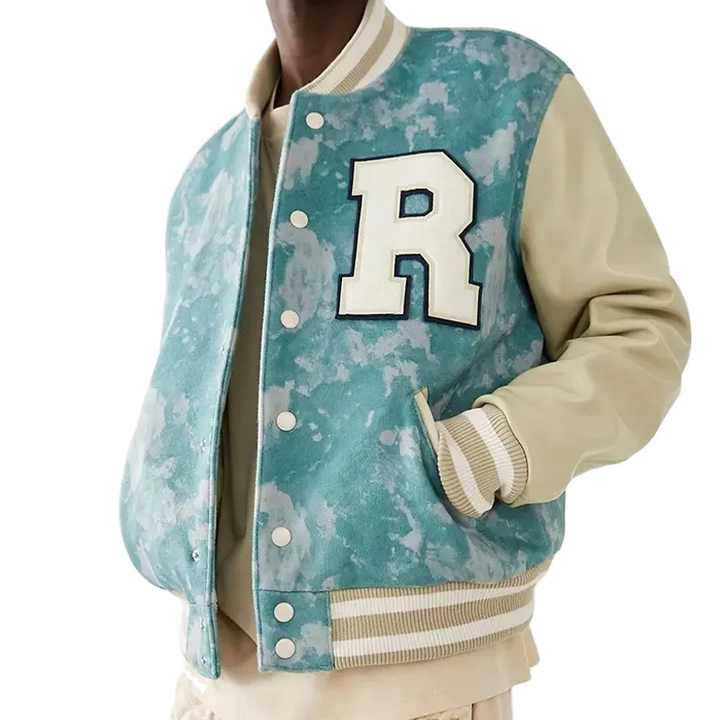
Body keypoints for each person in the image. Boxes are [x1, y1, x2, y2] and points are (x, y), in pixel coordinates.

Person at [120, 1, 691, 718]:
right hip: (208, 687)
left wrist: (487, 450)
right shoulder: (208, 177)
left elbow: (638, 327)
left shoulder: (502, 90)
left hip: (422, 681)